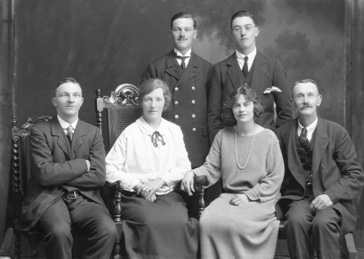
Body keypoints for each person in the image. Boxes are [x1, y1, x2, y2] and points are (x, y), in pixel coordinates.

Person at [16, 77, 117, 259]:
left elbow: (98, 177)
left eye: (75, 95)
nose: (70, 99)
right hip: (49, 198)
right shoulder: (40, 131)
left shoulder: (93, 132)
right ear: (55, 101)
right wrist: (83, 164)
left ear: (81, 101)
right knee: (59, 232)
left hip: (84, 198)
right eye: (64, 95)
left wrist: (58, 173)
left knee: (108, 229)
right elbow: (45, 175)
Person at [182, 85, 284, 259]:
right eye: (237, 105)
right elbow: (210, 168)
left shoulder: (268, 137)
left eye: (246, 104)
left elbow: (275, 177)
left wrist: (249, 196)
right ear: (232, 109)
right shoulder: (223, 135)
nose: (242, 109)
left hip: (260, 198)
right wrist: (190, 173)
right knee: (207, 221)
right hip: (229, 197)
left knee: (237, 224)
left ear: (255, 106)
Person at [105, 78, 199, 259]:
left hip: (168, 196)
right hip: (135, 197)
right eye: (148, 99)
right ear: (141, 102)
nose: (153, 105)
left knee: (179, 221)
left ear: (166, 102)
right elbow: (108, 168)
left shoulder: (174, 130)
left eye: (158, 99)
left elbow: (184, 165)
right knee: (151, 221)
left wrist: (161, 180)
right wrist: (139, 185)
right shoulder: (130, 133)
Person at [206, 10, 292, 204]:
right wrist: (220, 152)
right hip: (232, 151)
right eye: (237, 29)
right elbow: (213, 116)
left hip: (264, 151)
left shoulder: (273, 66)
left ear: (257, 31)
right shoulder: (220, 69)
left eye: (247, 28)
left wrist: (274, 142)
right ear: (231, 34)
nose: (243, 33)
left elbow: (286, 112)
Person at [276, 79, 364, 259]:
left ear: (319, 100)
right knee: (295, 221)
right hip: (298, 198)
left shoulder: (336, 132)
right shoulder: (282, 133)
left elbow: (355, 175)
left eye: (310, 95)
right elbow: (274, 173)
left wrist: (330, 196)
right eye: (300, 96)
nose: (305, 100)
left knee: (323, 223)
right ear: (292, 102)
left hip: (331, 198)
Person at [141, 12, 212, 170]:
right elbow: (147, 111)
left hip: (198, 146)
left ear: (195, 33)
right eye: (177, 29)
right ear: (170, 33)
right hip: (165, 143)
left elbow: (213, 114)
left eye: (187, 29)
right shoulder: (156, 67)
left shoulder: (208, 69)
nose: (182, 34)